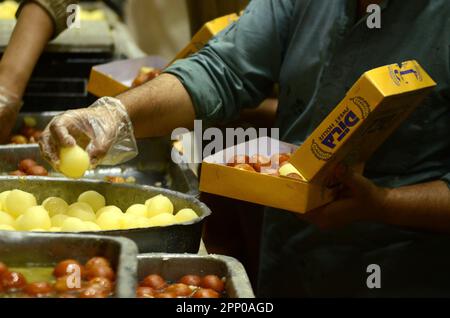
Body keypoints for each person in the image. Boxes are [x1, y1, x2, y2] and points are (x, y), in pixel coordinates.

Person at [40, 0, 450, 297]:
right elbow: (222, 69)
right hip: (290, 258)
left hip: (403, 270)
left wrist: (383, 203)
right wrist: (114, 113)